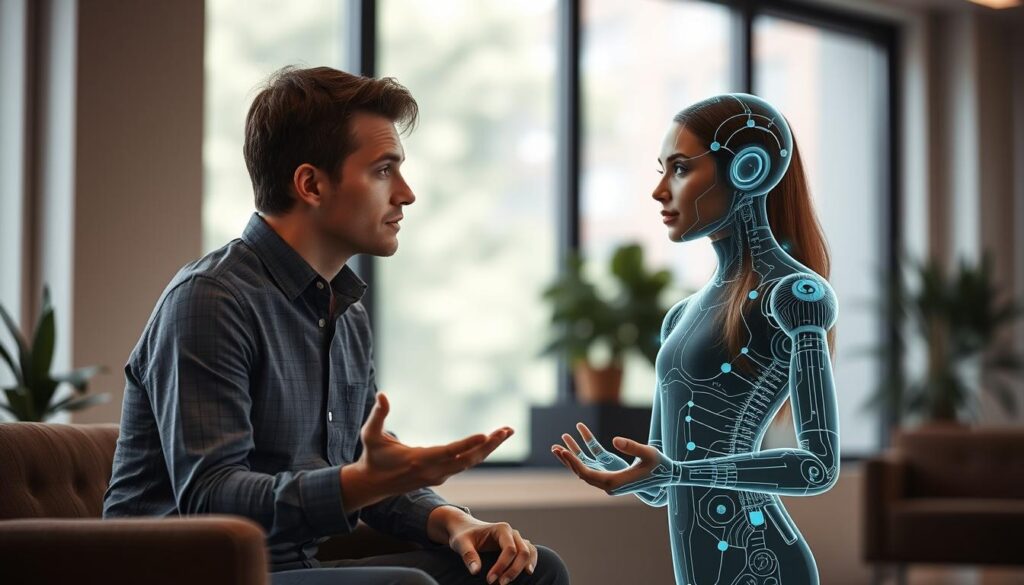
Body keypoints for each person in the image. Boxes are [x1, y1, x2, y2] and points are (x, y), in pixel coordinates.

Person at [104, 65, 570, 585]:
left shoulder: (344, 312)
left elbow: (364, 469)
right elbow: (211, 499)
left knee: (534, 570)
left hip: (293, 569)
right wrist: (357, 483)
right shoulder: (211, 300)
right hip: (193, 573)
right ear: (311, 184)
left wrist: (449, 520)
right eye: (384, 170)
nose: (407, 194)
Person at [550, 93, 839, 585]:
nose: (659, 191)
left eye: (681, 169)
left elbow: (817, 467)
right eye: (661, 170)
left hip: (763, 560)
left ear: (748, 169)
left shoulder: (793, 295)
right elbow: (661, 486)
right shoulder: (680, 316)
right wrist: (629, 470)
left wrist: (677, 473)